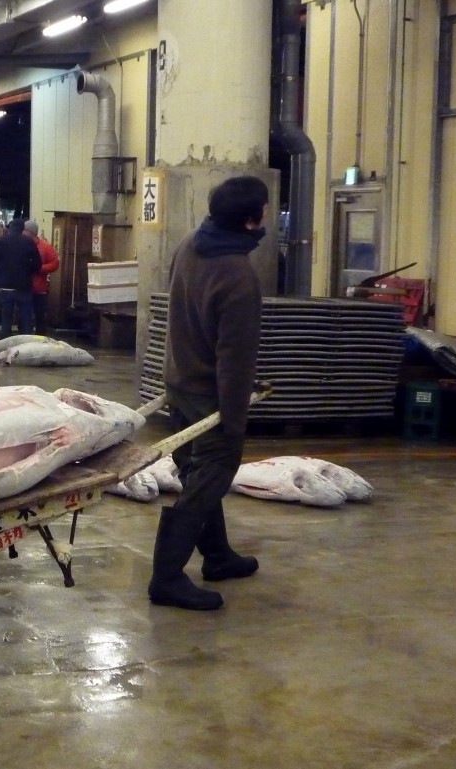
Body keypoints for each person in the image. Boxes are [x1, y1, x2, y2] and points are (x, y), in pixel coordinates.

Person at [149, 175, 270, 611]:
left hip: (179, 381)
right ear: (254, 219)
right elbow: (235, 359)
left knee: (196, 475)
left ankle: (217, 556)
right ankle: (165, 577)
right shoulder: (238, 276)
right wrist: (234, 420)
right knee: (209, 476)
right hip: (208, 395)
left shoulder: (188, 245)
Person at [0, 218, 40, 338]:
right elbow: (38, 264)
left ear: (10, 228)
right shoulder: (28, 242)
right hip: (24, 286)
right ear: (22, 229)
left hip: (6, 286)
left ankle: (6, 346)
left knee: (6, 318)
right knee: (25, 318)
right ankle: (25, 345)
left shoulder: (1, 241)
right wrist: (27, 269)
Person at [23, 219, 59, 336]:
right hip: (24, 289)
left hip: (39, 290)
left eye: (25, 230)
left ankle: (40, 338)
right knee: (24, 317)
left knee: (40, 316)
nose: (22, 233)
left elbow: (54, 263)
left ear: (31, 232)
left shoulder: (46, 247)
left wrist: (39, 268)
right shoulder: (21, 245)